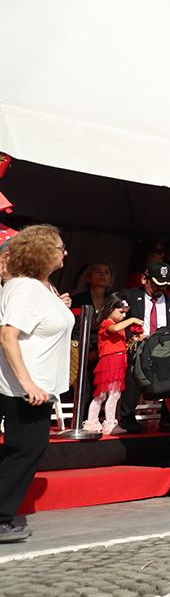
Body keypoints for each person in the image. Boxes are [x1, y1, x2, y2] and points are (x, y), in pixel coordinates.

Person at [0, 225, 74, 542]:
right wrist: (27, 383)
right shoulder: (25, 288)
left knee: (26, 449)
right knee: (25, 450)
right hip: (26, 389)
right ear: (42, 252)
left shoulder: (38, 287)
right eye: (60, 247)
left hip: (37, 387)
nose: (65, 252)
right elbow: (8, 335)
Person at [114, 260, 170, 435]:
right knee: (134, 371)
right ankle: (127, 417)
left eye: (165, 284)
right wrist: (133, 337)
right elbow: (114, 319)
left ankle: (167, 420)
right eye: (157, 284)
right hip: (138, 348)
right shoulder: (128, 295)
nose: (162, 288)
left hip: (164, 351)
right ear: (144, 279)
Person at [84, 294, 142, 433]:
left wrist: (134, 340)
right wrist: (132, 320)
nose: (124, 316)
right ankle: (106, 422)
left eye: (125, 313)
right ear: (110, 309)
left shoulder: (118, 326)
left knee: (107, 394)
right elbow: (114, 330)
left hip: (118, 361)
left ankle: (95, 421)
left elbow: (120, 342)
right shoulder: (106, 324)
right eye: (121, 312)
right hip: (111, 362)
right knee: (109, 394)